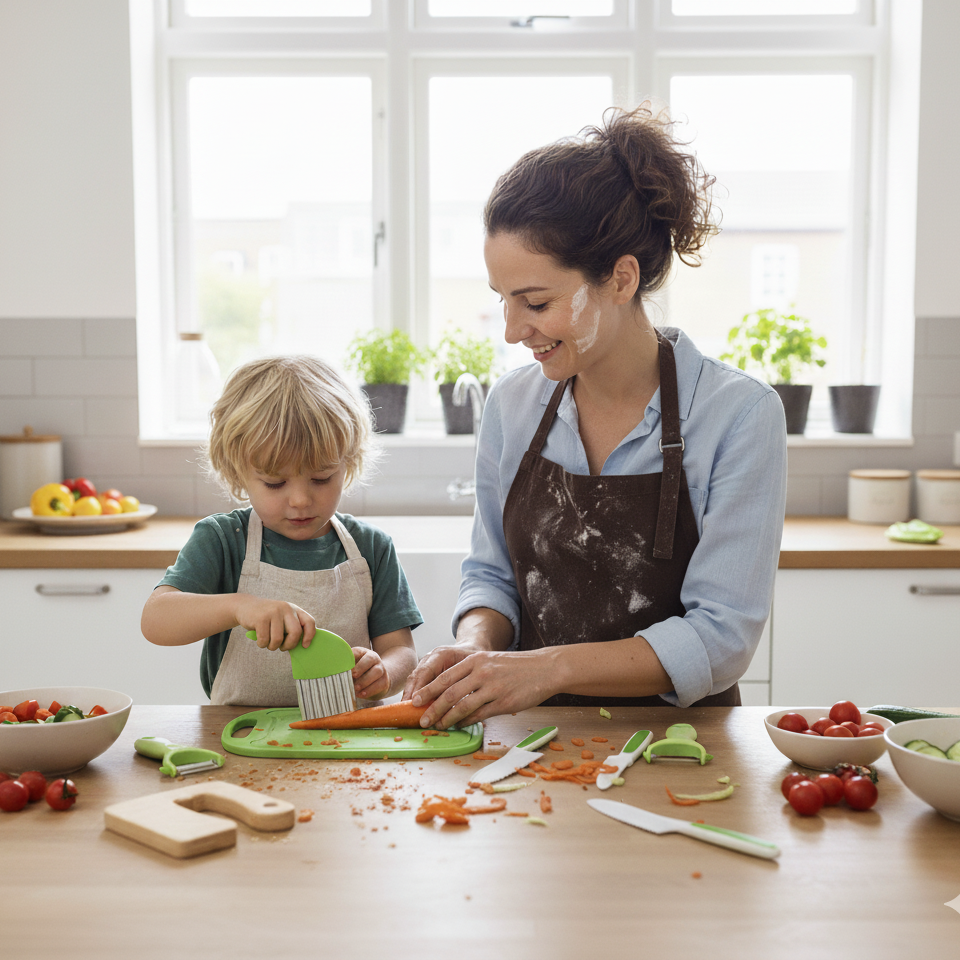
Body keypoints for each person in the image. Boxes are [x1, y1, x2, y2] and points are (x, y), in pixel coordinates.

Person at [404, 104, 787, 728]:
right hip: (528, 750)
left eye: (535, 302)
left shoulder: (738, 416)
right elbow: (492, 573)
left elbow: (721, 639)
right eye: (502, 301)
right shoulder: (513, 406)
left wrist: (547, 668)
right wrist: (476, 646)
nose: (510, 331)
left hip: (683, 750)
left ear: (620, 278)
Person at [142, 354, 422, 707]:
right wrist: (238, 607)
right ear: (237, 473)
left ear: (348, 464)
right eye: (275, 483)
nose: (301, 500)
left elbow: (401, 650)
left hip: (347, 740)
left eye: (321, 478)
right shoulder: (223, 540)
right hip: (239, 737)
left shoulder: (371, 548)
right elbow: (156, 620)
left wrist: (384, 672)